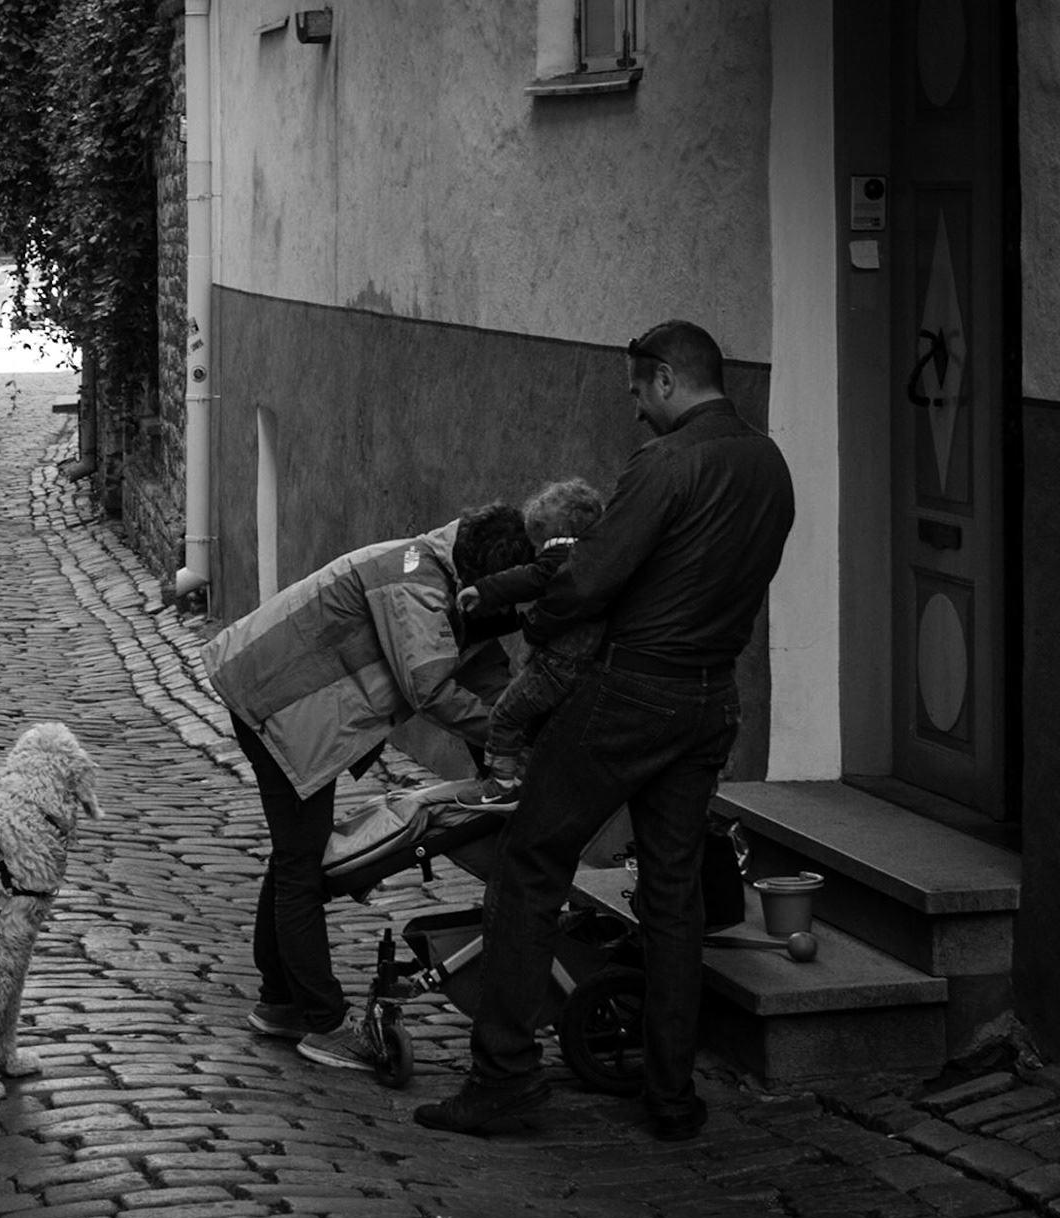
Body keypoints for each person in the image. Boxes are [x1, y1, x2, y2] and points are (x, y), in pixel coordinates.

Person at [414, 320, 795, 1141]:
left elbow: (588, 575)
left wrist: (540, 621)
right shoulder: (770, 464)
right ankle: (670, 1092)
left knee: (529, 862)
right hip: (710, 697)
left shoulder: (664, 464)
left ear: (666, 380)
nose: (634, 412)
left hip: (633, 692)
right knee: (672, 892)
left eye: (635, 392)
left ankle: (505, 1076)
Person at [203, 505, 536, 1071]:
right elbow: (432, 685)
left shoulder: (449, 574)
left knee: (294, 858)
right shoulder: (414, 579)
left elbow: (481, 673)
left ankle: (281, 1001)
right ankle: (323, 1023)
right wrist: (508, 740)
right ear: (480, 577)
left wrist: (512, 747)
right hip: (277, 704)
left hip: (287, 702)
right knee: (302, 868)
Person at [451, 477, 608, 812]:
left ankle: (501, 785)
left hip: (556, 662)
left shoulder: (564, 554)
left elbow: (533, 576)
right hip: (584, 664)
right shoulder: (602, 557)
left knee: (506, 715)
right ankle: (524, 778)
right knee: (534, 722)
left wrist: (484, 589)